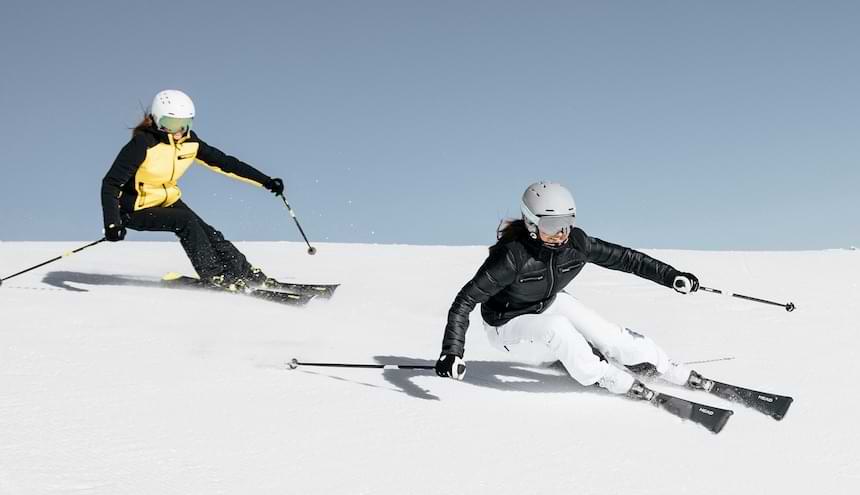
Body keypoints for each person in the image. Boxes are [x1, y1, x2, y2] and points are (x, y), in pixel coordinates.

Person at [435, 181, 702, 400]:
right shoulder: (511, 258)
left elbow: (626, 259)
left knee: (609, 336)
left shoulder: (577, 243)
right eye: (551, 226)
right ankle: (603, 375)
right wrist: (452, 353)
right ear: (531, 224)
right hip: (506, 322)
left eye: (567, 222)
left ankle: (668, 368)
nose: (561, 234)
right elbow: (465, 301)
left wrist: (672, 276)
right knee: (558, 329)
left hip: (547, 301)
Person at [100, 89, 285, 291]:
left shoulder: (190, 143)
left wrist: (265, 181)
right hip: (134, 209)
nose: (178, 130)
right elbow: (111, 183)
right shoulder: (142, 144)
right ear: (155, 120)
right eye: (170, 124)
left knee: (209, 232)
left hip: (167, 200)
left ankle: (245, 273)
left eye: (185, 123)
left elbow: (225, 163)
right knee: (186, 222)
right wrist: (112, 223)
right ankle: (214, 275)